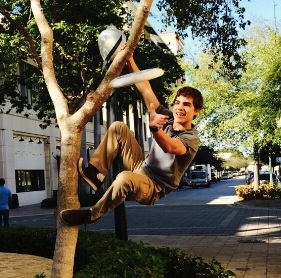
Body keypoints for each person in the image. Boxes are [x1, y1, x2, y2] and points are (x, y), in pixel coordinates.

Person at [60, 57, 203, 226]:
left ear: (196, 111)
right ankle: (95, 174)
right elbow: (145, 88)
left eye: (186, 105)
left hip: (153, 187)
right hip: (141, 167)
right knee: (118, 127)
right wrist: (130, 60)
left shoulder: (191, 138)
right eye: (177, 103)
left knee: (124, 178)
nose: (180, 108)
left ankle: (92, 214)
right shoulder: (167, 118)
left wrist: (155, 129)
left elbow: (170, 147)